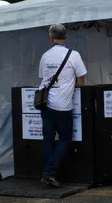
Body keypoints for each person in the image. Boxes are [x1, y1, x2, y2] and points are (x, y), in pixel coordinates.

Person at [37, 24, 87, 188]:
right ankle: (49, 172)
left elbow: (43, 77)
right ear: (65, 37)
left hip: (44, 102)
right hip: (62, 104)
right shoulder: (73, 55)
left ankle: (49, 172)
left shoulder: (45, 56)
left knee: (48, 138)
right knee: (65, 138)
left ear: (51, 38)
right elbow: (81, 79)